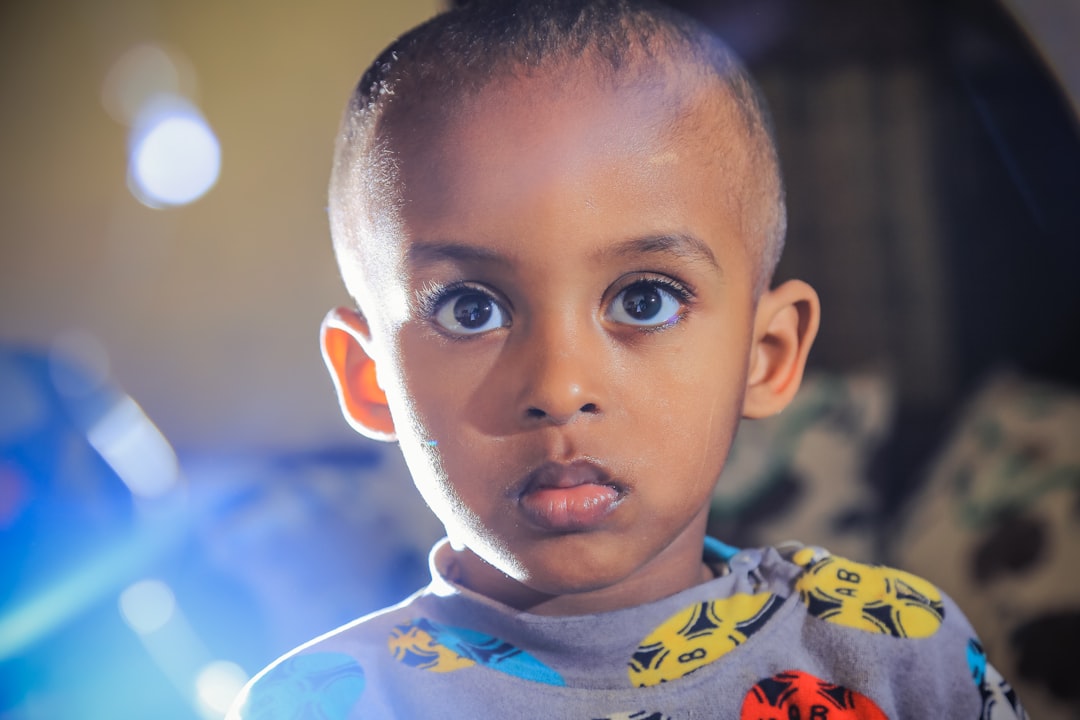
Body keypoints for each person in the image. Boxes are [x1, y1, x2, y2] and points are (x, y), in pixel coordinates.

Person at [228, 1, 1026, 717]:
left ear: (766, 353)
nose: (559, 387)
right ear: (370, 379)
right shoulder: (324, 706)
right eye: (470, 309)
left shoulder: (892, 649)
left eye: (644, 300)